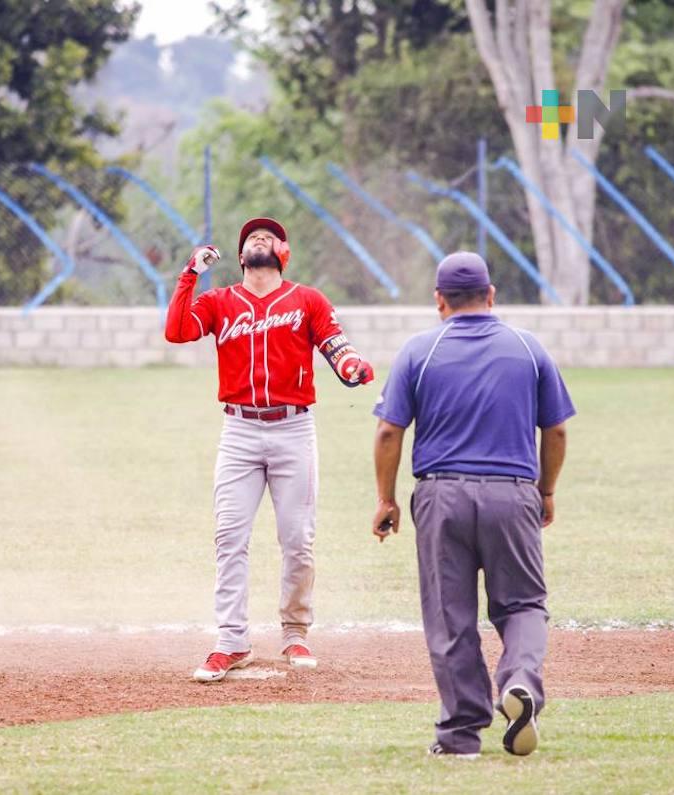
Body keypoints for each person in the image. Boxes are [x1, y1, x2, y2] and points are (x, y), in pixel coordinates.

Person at [371, 251, 574, 757]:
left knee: (449, 614)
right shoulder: (528, 349)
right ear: (492, 295)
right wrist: (545, 490)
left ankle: (461, 734)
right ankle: (519, 681)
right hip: (513, 493)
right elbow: (557, 428)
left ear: (439, 300)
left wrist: (386, 499)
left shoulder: (420, 350)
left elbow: (389, 431)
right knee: (523, 604)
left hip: (442, 495)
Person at [165, 217, 375, 683]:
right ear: (240, 257)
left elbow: (336, 346)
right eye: (251, 237)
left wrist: (353, 365)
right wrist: (189, 274)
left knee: (297, 539)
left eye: (270, 236)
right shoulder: (220, 302)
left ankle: (295, 631)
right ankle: (232, 641)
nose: (259, 238)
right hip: (238, 432)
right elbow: (178, 332)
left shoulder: (306, 300)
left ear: (283, 252)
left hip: (293, 430)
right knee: (229, 538)